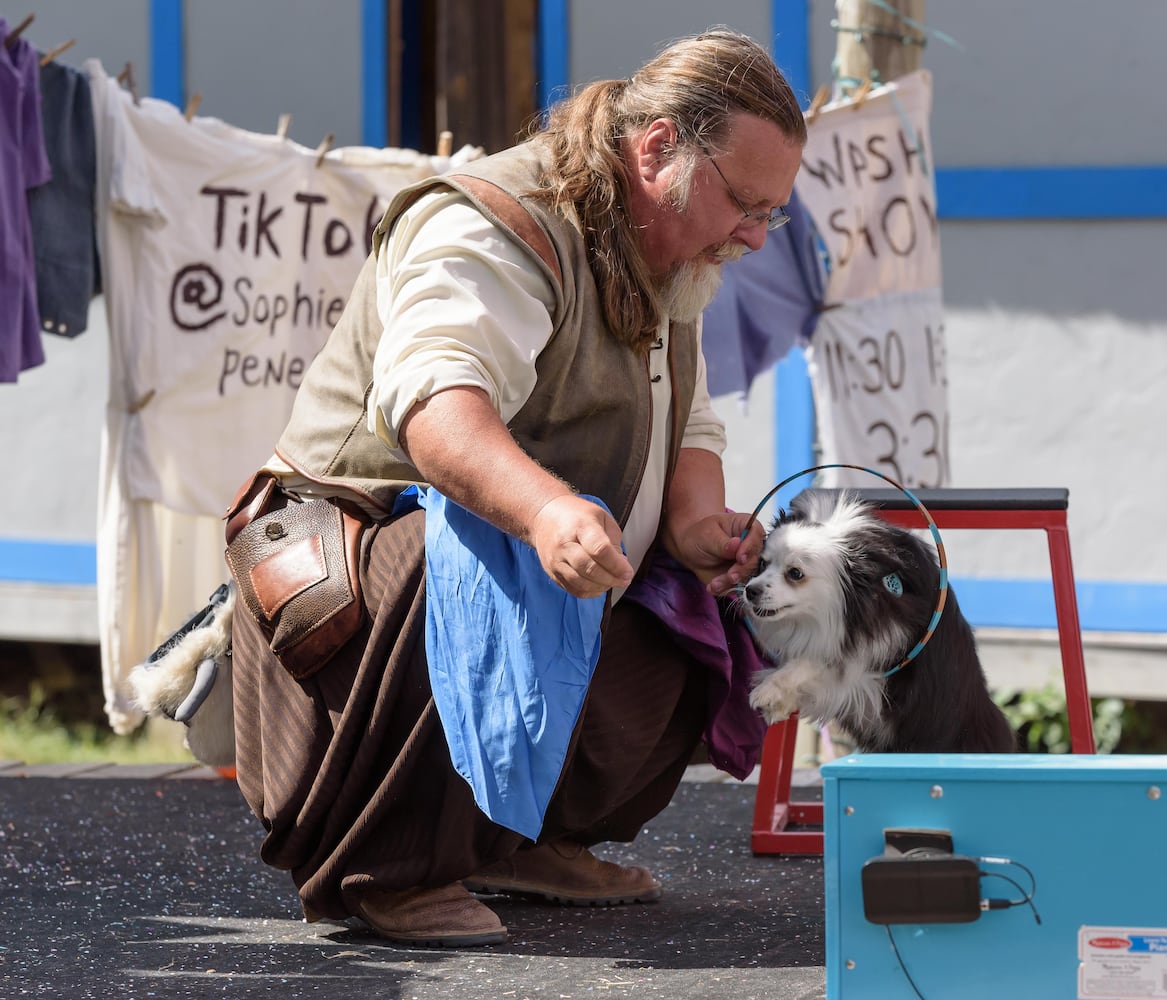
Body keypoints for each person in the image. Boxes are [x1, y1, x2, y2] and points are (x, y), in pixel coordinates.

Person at [225, 29, 806, 947]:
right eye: (744, 204)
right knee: (456, 563)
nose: (752, 236)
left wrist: (695, 521)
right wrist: (544, 510)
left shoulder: (675, 245)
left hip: (538, 558)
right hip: (342, 574)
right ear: (656, 148)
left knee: (694, 612)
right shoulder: (495, 218)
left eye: (770, 214)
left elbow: (685, 416)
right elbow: (435, 408)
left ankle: (513, 839)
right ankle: (391, 866)